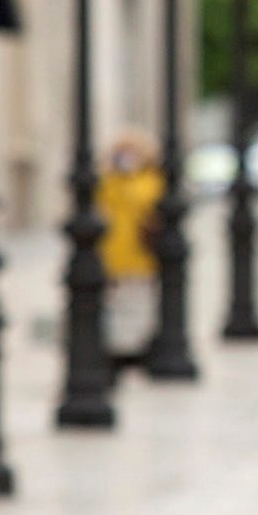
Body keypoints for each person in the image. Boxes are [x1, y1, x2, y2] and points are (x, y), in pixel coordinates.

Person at [96, 133, 166, 367]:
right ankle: (117, 349)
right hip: (112, 253)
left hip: (140, 254)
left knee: (138, 301)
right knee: (115, 303)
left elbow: (145, 202)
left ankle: (137, 349)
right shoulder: (108, 181)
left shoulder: (150, 180)